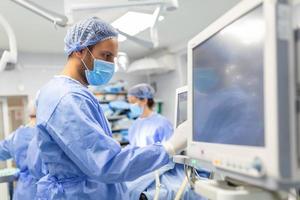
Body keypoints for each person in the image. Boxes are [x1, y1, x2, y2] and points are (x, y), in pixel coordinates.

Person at [32, 16, 186, 199]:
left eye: (113, 57)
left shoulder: (68, 92)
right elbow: (107, 163)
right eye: (106, 55)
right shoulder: (67, 98)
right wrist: (169, 148)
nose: (111, 64)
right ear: (80, 51)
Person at [0, 100, 38, 200]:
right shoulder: (47, 133)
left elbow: (1, 151)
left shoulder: (17, 135)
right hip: (43, 191)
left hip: (23, 192)